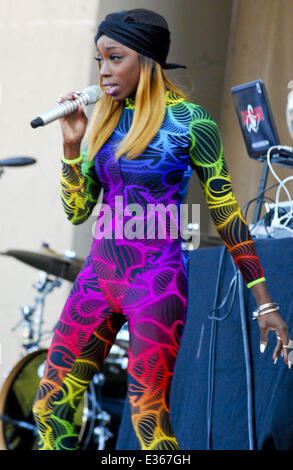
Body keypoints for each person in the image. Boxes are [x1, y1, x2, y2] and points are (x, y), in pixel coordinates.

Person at [32, 8, 290, 451]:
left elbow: (227, 214)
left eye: (115, 58)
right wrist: (72, 146)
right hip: (98, 277)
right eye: (99, 61)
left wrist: (264, 302)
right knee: (49, 406)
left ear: (146, 60)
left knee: (149, 420)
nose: (104, 71)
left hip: (157, 281)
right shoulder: (106, 122)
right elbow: (77, 211)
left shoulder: (193, 123)